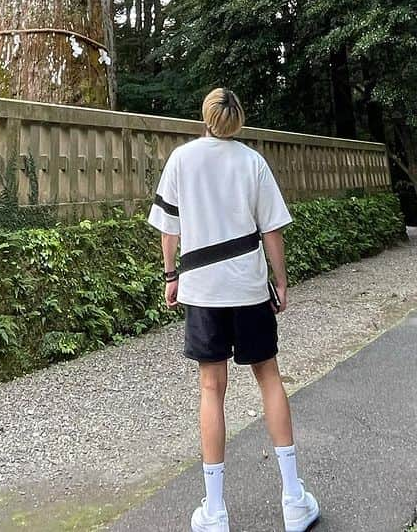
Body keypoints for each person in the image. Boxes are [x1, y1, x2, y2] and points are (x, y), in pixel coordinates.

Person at [148, 88, 320, 532]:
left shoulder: (182, 160)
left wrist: (172, 276)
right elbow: (273, 230)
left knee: (211, 388)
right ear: (238, 121)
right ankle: (293, 499)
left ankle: (216, 510)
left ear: (204, 118)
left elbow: (169, 230)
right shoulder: (252, 162)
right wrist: (280, 281)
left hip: (203, 290)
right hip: (247, 288)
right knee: (269, 377)